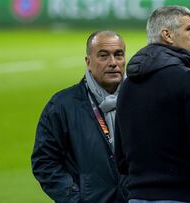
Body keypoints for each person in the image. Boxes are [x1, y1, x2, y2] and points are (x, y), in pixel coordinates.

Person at [114, 5, 190, 203]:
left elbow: (121, 158)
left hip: (137, 197)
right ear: (167, 35)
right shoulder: (189, 79)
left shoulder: (127, 85)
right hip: (184, 195)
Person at [31, 30, 128, 203]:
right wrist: (75, 199)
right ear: (88, 62)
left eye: (118, 55)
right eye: (103, 56)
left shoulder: (142, 100)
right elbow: (45, 162)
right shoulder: (62, 105)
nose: (113, 62)